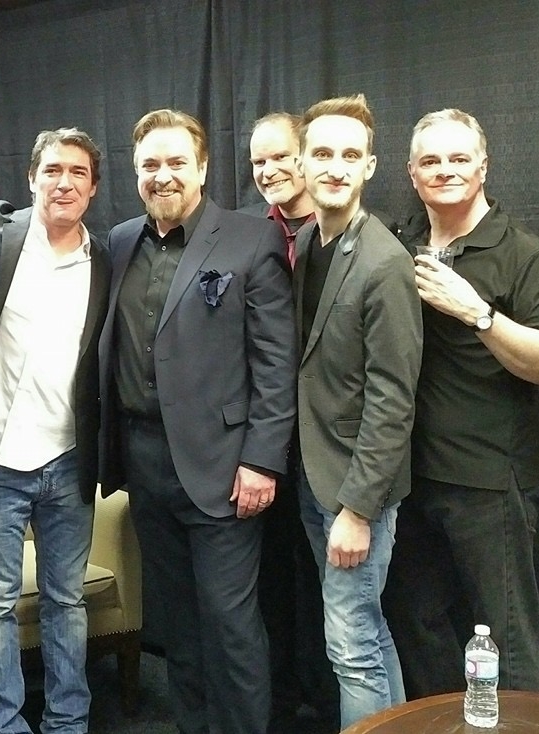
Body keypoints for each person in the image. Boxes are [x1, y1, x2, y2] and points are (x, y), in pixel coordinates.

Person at [99, 108, 297, 734]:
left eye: (177, 163)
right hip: (143, 463)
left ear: (204, 167)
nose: (163, 176)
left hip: (224, 467)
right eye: (150, 165)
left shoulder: (250, 239)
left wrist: (262, 459)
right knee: (177, 624)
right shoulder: (120, 241)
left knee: (230, 624)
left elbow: (276, 364)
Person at [0, 127, 110, 734]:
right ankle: (5, 724)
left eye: (78, 173)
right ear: (32, 178)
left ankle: (68, 721)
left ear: (93, 187)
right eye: (53, 170)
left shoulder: (106, 258)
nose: (64, 183)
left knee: (67, 602)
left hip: (68, 458)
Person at [384, 108, 539, 697]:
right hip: (409, 478)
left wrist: (476, 312)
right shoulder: (396, 245)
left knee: (508, 636)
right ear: (411, 173)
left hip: (491, 481)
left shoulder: (523, 253)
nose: (445, 170)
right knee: (417, 625)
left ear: (483, 167)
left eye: (458, 158)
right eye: (430, 161)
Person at [292, 94, 422, 729]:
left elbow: (393, 399)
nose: (335, 167)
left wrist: (359, 511)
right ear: (302, 163)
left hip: (354, 491)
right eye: (322, 153)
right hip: (317, 474)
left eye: (350, 155)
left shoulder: (385, 262)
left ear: (370, 166)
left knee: (351, 648)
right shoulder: (310, 242)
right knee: (365, 632)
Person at [242, 111, 337, 733]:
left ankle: (333, 712)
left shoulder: (341, 235)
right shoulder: (249, 236)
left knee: (334, 593)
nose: (271, 170)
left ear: (308, 155)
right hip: (264, 444)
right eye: (259, 162)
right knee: (270, 583)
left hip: (328, 446)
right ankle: (275, 707)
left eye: (281, 156)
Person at [242, 112, 316, 265]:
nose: (268, 172)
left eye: (280, 157)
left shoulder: (342, 228)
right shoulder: (241, 229)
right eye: (259, 162)